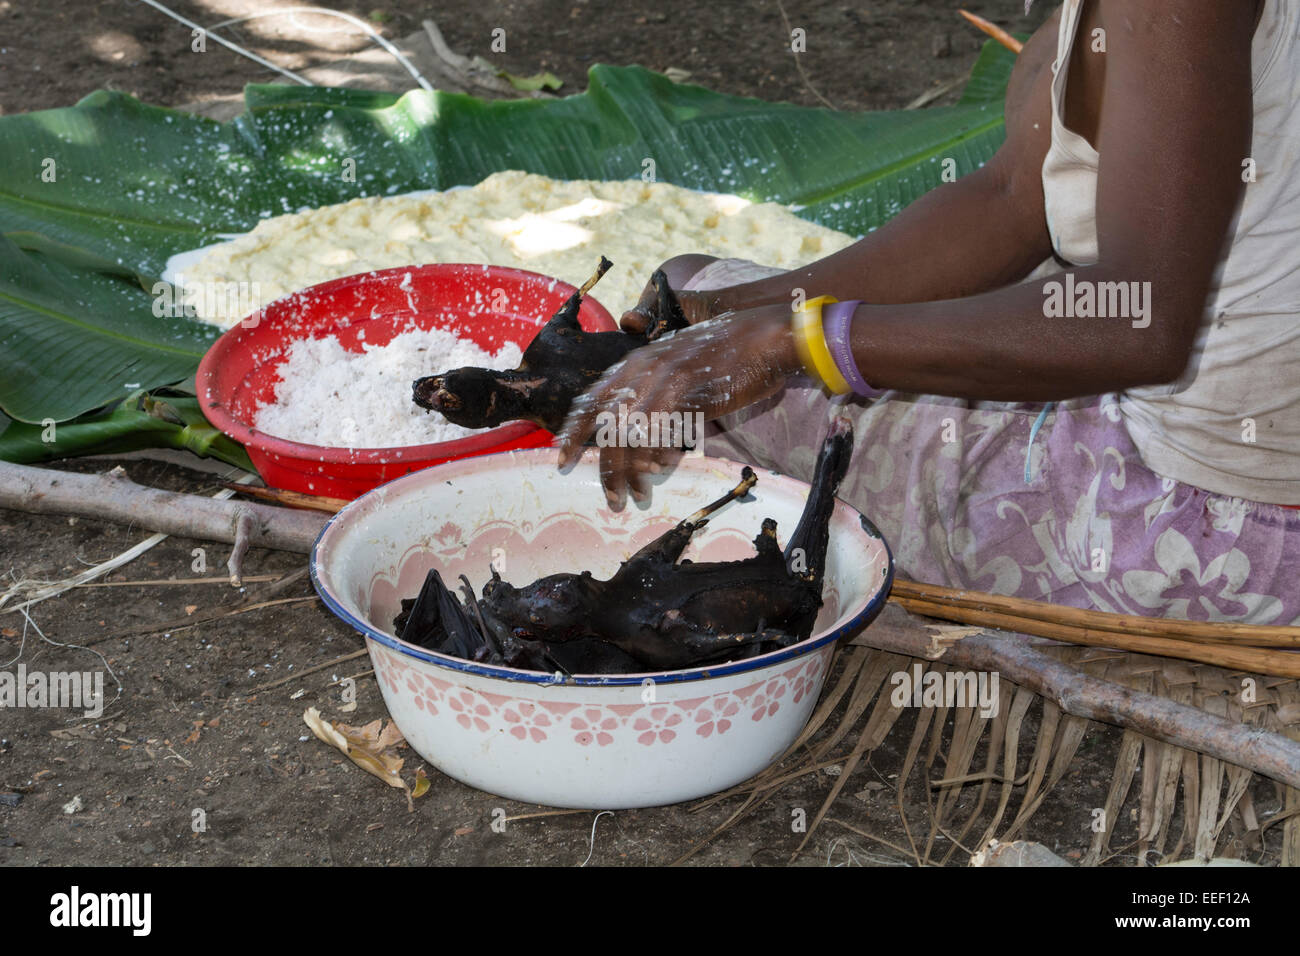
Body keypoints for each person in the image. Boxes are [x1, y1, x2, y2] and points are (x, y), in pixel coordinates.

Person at [557, 0, 1300, 624]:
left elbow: (1136, 318)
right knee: (693, 290)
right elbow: (1014, 199)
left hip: (1210, 525)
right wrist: (733, 313)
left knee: (689, 415)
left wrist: (794, 341)